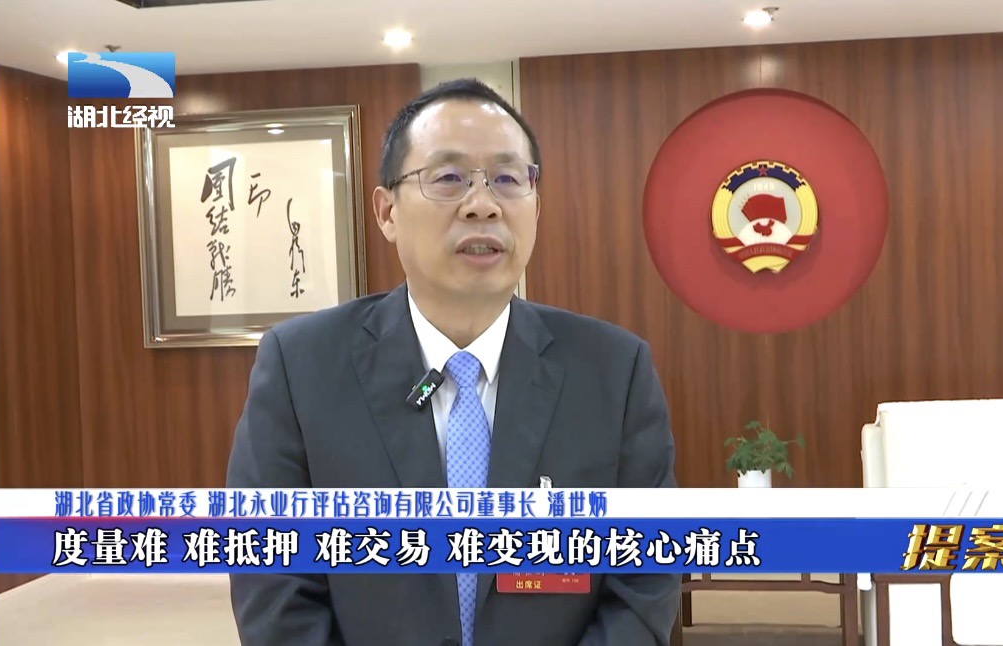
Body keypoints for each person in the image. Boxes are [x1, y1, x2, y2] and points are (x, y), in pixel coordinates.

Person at [226, 78, 680, 646]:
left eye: (508, 180)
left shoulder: (614, 370)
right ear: (387, 212)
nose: (483, 204)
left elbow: (645, 581)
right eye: (448, 178)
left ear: (536, 206)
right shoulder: (300, 367)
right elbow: (272, 583)